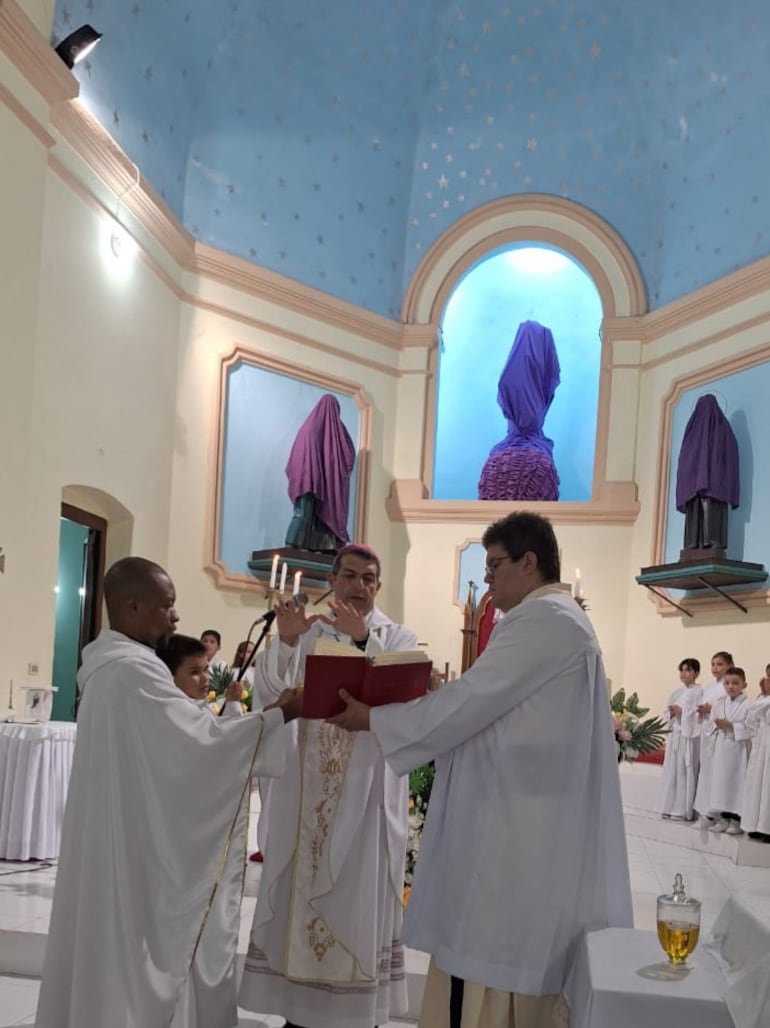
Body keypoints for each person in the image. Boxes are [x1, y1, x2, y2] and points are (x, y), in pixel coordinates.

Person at [331, 512, 632, 1028]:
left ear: (529, 562)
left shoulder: (546, 620)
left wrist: (373, 720)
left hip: (517, 829)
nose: (487, 579)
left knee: (497, 945)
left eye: (494, 566)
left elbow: (471, 703)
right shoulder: (559, 620)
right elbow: (493, 706)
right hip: (529, 814)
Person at [35, 557, 301, 1028]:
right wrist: (279, 715)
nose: (176, 616)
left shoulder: (107, 667)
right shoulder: (134, 674)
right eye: (168, 605)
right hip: (131, 849)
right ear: (133, 607)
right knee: (126, 951)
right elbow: (201, 747)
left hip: (119, 835)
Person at [239, 542, 418, 1028]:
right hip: (305, 803)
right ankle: (298, 1015)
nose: (359, 586)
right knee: (300, 905)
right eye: (350, 576)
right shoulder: (309, 632)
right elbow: (271, 702)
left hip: (365, 807)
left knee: (354, 906)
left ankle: (359, 1017)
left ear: (378, 586)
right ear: (332, 581)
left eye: (369, 579)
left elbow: (407, 705)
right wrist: (289, 642)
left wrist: (363, 642)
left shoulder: (396, 635)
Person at [284, 393, 356, 551]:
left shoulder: (331, 434)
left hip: (311, 480)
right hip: (307, 479)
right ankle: (292, 544)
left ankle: (319, 547)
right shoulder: (310, 431)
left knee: (309, 514)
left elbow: (345, 457)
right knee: (303, 513)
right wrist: (312, 476)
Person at [703, 667, 751, 835]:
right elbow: (711, 722)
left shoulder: (748, 705)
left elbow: (750, 727)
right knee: (721, 782)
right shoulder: (720, 702)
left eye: (735, 683)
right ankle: (722, 817)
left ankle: (735, 820)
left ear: (744, 684)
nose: (731, 686)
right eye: (727, 683)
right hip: (722, 747)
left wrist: (732, 726)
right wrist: (717, 724)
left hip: (737, 749)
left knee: (735, 783)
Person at [656, 658, 703, 821]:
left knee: (684, 771)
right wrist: (670, 712)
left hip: (688, 737)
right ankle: (668, 805)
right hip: (675, 736)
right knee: (672, 771)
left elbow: (698, 714)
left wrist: (682, 712)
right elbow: (667, 712)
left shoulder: (698, 692)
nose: (684, 673)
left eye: (688, 670)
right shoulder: (677, 692)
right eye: (682, 670)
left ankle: (682, 809)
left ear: (696, 673)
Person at [694, 650, 734, 827]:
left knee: (717, 774)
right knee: (706, 772)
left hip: (720, 735)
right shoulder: (709, 686)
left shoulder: (728, 686)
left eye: (720, 664)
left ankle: (716, 814)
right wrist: (702, 710)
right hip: (706, 733)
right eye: (713, 664)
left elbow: (728, 709)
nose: (715, 668)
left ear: (729, 666)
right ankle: (704, 811)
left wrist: (710, 710)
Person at [160, 633, 242, 714]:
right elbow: (218, 727)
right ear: (170, 674)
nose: (206, 678)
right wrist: (233, 705)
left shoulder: (201, 706)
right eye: (195, 672)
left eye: (206, 670)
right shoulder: (178, 711)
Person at [742, 666, 770, 842]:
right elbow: (752, 719)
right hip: (763, 744)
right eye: (768, 677)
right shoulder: (763, 699)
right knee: (758, 783)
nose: (768, 681)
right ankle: (757, 824)